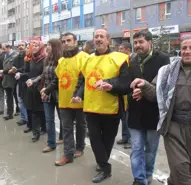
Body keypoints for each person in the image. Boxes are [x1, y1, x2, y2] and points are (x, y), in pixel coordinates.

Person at [131, 38, 191, 185]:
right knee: (181, 170)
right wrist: (144, 85)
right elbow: (156, 94)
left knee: (189, 170)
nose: (187, 51)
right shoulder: (166, 72)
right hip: (173, 128)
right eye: (184, 48)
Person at [73, 28, 130, 183]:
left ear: (108, 40)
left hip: (112, 107)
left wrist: (110, 85)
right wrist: (78, 95)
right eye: (96, 36)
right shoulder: (89, 59)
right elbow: (85, 82)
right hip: (91, 107)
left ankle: (101, 163)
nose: (98, 39)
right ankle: (105, 167)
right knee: (94, 138)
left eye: (101, 36)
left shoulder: (120, 58)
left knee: (108, 139)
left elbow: (126, 83)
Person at [126, 30, 170, 185]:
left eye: (141, 42)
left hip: (154, 113)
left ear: (150, 42)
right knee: (136, 148)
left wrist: (144, 90)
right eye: (135, 42)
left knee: (150, 149)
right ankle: (139, 179)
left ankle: (148, 173)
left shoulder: (163, 59)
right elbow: (127, 83)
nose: (137, 45)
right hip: (135, 112)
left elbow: (163, 84)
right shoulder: (131, 60)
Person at [45, 32, 87, 166]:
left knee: (81, 126)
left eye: (69, 40)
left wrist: (79, 95)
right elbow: (57, 79)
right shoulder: (61, 60)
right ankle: (68, 154)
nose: (66, 43)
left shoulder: (84, 57)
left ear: (76, 41)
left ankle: (80, 147)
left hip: (79, 101)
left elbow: (85, 79)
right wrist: (46, 90)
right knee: (67, 128)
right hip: (63, 100)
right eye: (63, 41)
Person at [15, 40, 46, 142]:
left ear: (41, 47)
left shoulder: (44, 58)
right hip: (30, 86)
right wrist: (22, 75)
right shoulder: (31, 59)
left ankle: (44, 128)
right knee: (32, 110)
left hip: (41, 87)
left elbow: (44, 74)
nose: (35, 47)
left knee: (40, 110)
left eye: (37, 45)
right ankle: (35, 133)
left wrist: (34, 80)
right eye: (33, 46)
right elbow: (29, 73)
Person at [40, 38, 64, 152]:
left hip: (59, 93)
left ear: (55, 46)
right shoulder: (46, 59)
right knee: (49, 120)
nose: (47, 47)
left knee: (63, 119)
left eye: (49, 45)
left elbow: (59, 78)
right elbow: (43, 75)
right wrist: (36, 83)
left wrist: (47, 88)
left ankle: (63, 137)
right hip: (47, 93)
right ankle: (51, 143)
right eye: (46, 45)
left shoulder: (62, 60)